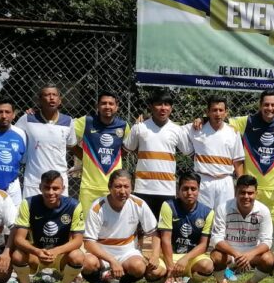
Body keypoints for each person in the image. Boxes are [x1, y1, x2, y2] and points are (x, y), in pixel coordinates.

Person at [81, 170, 164, 283]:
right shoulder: (97, 207)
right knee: (87, 263)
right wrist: (112, 261)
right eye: (118, 186)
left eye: (126, 186)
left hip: (127, 251)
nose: (122, 191)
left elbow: (154, 232)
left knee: (139, 267)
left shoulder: (139, 204)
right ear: (109, 188)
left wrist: (155, 255)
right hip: (102, 252)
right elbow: (89, 242)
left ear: (131, 188)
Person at [227, 90, 274, 233]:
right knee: (248, 229)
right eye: (266, 104)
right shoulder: (247, 121)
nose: (270, 108)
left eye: (273, 105)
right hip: (252, 189)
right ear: (260, 105)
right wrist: (205, 119)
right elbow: (222, 123)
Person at [11, 170, 85, 283]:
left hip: (61, 255)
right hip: (36, 254)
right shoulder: (28, 203)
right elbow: (19, 239)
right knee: (17, 255)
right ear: (40, 187)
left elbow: (78, 240)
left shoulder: (74, 205)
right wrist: (37, 251)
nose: (51, 192)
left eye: (55, 188)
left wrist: (57, 251)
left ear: (62, 189)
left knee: (78, 256)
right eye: (47, 187)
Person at [124, 89, 191, 219]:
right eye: (159, 104)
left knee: (164, 230)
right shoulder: (139, 127)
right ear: (150, 106)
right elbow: (124, 151)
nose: (163, 108)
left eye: (167, 104)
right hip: (142, 189)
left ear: (171, 108)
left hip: (167, 190)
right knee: (141, 230)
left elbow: (190, 153)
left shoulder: (177, 130)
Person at [209, 175, 274, 283]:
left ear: (256, 193)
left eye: (250, 193)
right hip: (229, 253)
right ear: (235, 191)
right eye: (242, 192)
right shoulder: (223, 208)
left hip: (252, 255)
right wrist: (237, 254)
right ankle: (221, 282)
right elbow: (216, 239)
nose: (246, 196)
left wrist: (249, 255)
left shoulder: (263, 211)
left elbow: (267, 241)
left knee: (269, 259)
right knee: (216, 256)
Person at [71, 91, 131, 214]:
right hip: (89, 187)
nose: (107, 106)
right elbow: (64, 131)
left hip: (114, 187)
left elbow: (128, 148)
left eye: (111, 103)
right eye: (103, 103)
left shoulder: (124, 126)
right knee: (86, 228)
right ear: (97, 106)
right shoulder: (86, 122)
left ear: (116, 106)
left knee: (111, 227)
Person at [158, 172, 215, 283]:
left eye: (193, 189)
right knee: (153, 271)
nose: (189, 192)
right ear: (178, 190)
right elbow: (165, 239)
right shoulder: (168, 206)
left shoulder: (207, 212)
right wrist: (170, 267)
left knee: (207, 266)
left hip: (191, 258)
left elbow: (203, 245)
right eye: (185, 189)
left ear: (198, 190)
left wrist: (186, 259)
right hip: (170, 256)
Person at [15, 84, 76, 199]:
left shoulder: (68, 121)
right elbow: (13, 138)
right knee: (32, 215)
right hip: (34, 181)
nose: (51, 98)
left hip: (59, 181)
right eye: (47, 95)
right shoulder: (27, 119)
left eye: (54, 95)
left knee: (58, 215)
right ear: (40, 100)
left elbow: (71, 145)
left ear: (59, 100)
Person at [186, 96, 244, 209]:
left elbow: (238, 161)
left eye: (221, 110)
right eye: (214, 110)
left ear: (226, 112)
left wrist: (241, 185)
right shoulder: (196, 129)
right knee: (203, 217)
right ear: (207, 112)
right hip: (203, 180)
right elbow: (175, 130)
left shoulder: (233, 132)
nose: (218, 113)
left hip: (225, 181)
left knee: (224, 217)